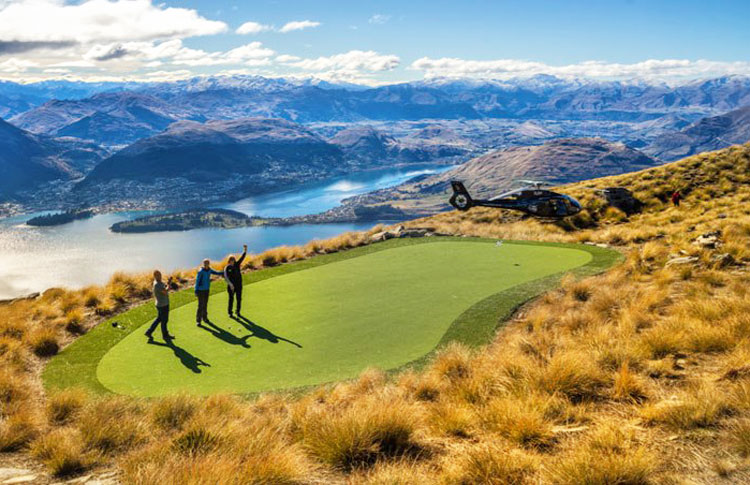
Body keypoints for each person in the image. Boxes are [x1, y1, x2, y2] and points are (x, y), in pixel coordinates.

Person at [145, 270, 174, 341]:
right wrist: (169, 285)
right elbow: (165, 291)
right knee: (164, 320)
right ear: (155, 276)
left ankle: (149, 332)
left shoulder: (159, 282)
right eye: (158, 275)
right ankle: (165, 335)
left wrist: (168, 283)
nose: (160, 276)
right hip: (163, 305)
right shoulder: (157, 284)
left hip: (161, 304)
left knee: (159, 319)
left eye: (160, 275)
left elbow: (164, 287)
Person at [195, 258, 223, 325]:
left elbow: (216, 272)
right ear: (203, 264)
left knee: (205, 304)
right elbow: (197, 281)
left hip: (206, 290)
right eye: (205, 264)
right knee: (200, 305)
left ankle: (205, 318)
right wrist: (196, 291)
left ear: (209, 264)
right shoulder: (200, 271)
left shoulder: (209, 270)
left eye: (207, 263)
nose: (206, 265)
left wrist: (224, 272)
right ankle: (198, 320)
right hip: (200, 291)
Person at [224, 244, 247, 317]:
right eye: (231, 260)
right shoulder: (227, 268)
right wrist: (231, 285)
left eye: (233, 260)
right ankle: (230, 312)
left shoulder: (237, 264)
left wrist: (245, 250)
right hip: (231, 286)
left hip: (239, 285)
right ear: (229, 261)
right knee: (231, 299)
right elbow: (226, 277)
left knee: (239, 299)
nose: (232, 261)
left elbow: (242, 257)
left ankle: (238, 311)